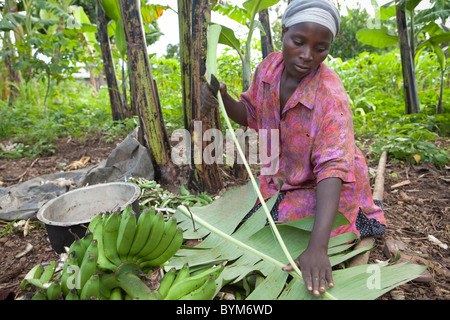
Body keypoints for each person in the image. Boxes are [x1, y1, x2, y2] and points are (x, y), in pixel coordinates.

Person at [200, 0, 386, 297]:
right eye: (298, 42)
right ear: (283, 31)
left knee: (294, 233)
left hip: (329, 187)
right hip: (285, 176)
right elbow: (250, 113)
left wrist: (317, 247)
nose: (307, 55)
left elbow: (332, 170)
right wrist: (222, 96)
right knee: (252, 222)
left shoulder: (330, 96)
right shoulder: (269, 68)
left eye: (320, 48)